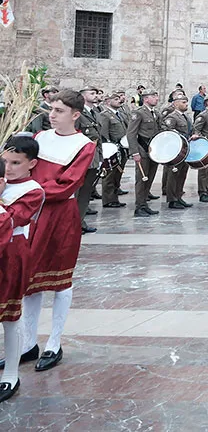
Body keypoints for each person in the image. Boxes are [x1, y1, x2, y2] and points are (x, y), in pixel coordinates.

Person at [20, 90, 96, 373]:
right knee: (29, 279)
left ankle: (54, 342)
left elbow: (68, 183)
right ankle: (28, 343)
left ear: (75, 115)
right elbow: (26, 170)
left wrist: (30, 192)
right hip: (31, 213)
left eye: (59, 111)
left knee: (60, 279)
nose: (52, 115)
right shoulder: (39, 139)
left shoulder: (84, 145)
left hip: (59, 216)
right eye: (51, 109)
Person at [0, 138, 46, 402]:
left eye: (16, 163)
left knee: (10, 315)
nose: (9, 168)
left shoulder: (32, 190)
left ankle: (11, 375)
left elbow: (13, 219)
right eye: (5, 161)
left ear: (32, 164)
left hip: (13, 252)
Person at [126, 89, 163, 217]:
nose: (156, 99)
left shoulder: (156, 113)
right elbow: (131, 134)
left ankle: (144, 204)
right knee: (141, 179)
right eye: (153, 96)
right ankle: (139, 206)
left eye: (156, 96)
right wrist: (135, 152)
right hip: (142, 151)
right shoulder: (138, 113)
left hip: (153, 151)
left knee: (150, 177)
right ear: (146, 99)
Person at [76, 86, 104, 234]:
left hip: (94, 156)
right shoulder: (78, 114)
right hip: (82, 158)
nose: (95, 96)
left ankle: (80, 221)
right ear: (83, 96)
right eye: (91, 93)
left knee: (86, 192)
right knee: (78, 193)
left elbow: (98, 136)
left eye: (95, 93)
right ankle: (74, 223)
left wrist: (100, 157)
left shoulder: (95, 113)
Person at [161, 92, 193, 209]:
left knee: (182, 174)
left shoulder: (187, 117)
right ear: (175, 104)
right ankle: (172, 199)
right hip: (175, 150)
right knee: (173, 175)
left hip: (185, 149)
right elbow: (166, 130)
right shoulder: (172, 117)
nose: (186, 105)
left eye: (186, 102)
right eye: (183, 102)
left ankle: (179, 196)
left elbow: (191, 130)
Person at [97, 90, 128, 210]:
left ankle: (114, 197)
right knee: (109, 175)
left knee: (117, 174)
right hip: (113, 148)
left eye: (118, 99)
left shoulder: (118, 114)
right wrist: (109, 147)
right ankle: (108, 199)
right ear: (108, 101)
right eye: (115, 99)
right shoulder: (105, 115)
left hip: (121, 148)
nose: (119, 101)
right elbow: (104, 133)